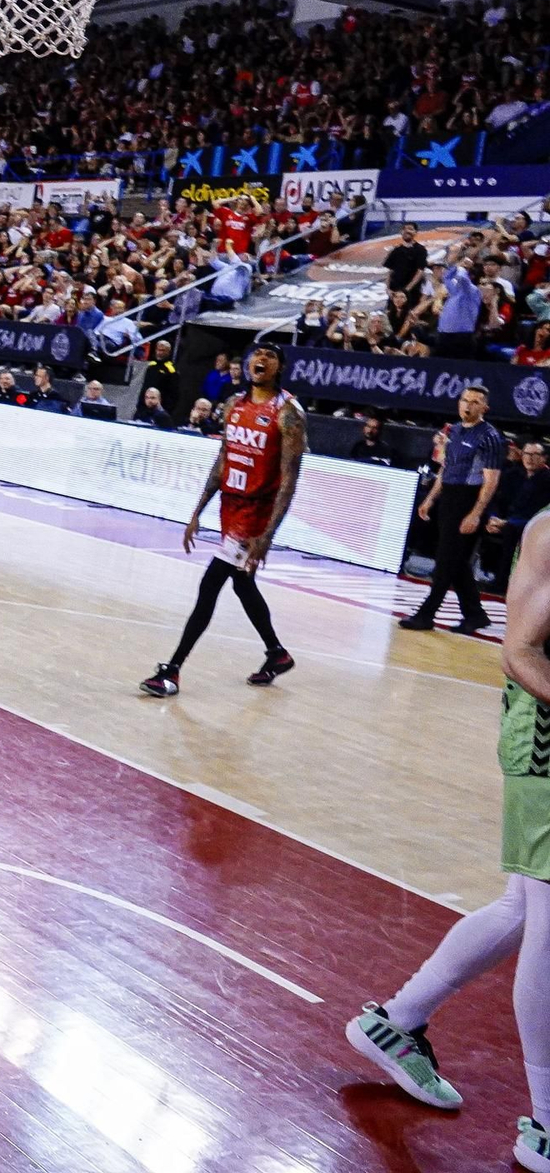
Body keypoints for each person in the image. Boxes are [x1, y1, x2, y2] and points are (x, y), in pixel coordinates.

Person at [345, 510, 550, 1173]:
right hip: (545, 745)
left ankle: (398, 1021)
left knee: (521, 907)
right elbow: (519, 650)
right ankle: (547, 1122)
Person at [141, 343, 305, 695]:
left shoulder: (288, 412)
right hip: (230, 508)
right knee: (242, 584)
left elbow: (290, 478)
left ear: (279, 367)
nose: (260, 359)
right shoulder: (233, 405)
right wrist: (197, 511)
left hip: (256, 515)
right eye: (256, 354)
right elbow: (222, 461)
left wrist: (269, 534)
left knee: (210, 584)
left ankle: (172, 671)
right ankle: (277, 654)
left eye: (270, 356)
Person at [401, 385, 507, 633]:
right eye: (465, 400)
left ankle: (427, 614)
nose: (468, 405)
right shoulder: (453, 431)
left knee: (447, 560)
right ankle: (475, 615)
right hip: (449, 496)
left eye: (475, 402)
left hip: (469, 499)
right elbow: (445, 469)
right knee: (455, 560)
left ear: (485, 408)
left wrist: (476, 512)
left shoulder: (489, 437)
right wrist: (431, 499)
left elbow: (491, 480)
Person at [489, 442, 550, 594]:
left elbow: (539, 512)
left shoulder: (547, 480)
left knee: (512, 530)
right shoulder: (512, 475)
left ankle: (502, 583)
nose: (529, 458)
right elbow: (496, 499)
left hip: (530, 525)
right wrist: (493, 517)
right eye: (526, 454)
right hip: (504, 520)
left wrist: (506, 522)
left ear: (544, 458)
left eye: (535, 455)